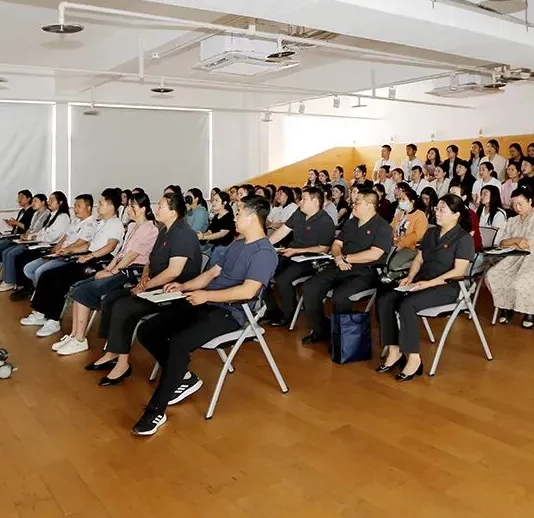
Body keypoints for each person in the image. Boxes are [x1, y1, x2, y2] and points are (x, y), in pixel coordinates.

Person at [132, 196, 278, 436]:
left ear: (253, 217)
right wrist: (184, 286)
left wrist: (207, 296)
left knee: (179, 343)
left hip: (232, 312)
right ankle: (183, 376)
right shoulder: (238, 244)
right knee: (148, 330)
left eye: (239, 213)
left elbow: (248, 291)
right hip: (206, 301)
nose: (235, 217)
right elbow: (211, 273)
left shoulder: (264, 252)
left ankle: (156, 410)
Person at [84, 192, 202, 384]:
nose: (156, 209)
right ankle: (112, 352)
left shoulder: (183, 233)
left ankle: (122, 365)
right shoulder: (164, 230)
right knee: (111, 299)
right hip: (154, 285)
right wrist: (145, 277)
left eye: (161, 206)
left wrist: (145, 285)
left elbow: (173, 272)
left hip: (174, 292)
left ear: (173, 212)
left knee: (124, 307)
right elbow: (150, 260)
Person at [376, 193, 474, 381]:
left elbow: (458, 271)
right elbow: (419, 259)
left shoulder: (463, 238)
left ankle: (414, 358)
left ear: (456, 215)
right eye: (437, 209)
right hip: (421, 281)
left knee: (407, 305)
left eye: (442, 210)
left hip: (446, 287)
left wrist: (428, 283)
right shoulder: (431, 233)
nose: (437, 213)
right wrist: (410, 277)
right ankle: (394, 350)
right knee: (385, 299)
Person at [54, 192, 160, 355]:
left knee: (84, 291)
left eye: (132, 206)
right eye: (128, 206)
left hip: (131, 272)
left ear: (143, 209)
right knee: (78, 287)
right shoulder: (132, 227)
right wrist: (107, 269)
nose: (128, 209)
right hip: (120, 268)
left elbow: (132, 256)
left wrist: (112, 272)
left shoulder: (150, 229)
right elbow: (121, 254)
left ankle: (80, 340)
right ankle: (74, 335)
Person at [20, 189, 125, 341]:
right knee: (48, 274)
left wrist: (90, 256)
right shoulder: (102, 223)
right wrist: (69, 250)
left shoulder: (116, 224)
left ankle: (53, 320)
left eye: (101, 204)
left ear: (111, 206)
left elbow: (110, 246)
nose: (98, 207)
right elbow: (88, 244)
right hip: (89, 256)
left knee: (60, 279)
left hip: (101, 261)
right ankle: (40, 313)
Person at [299, 188, 393, 344]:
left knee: (340, 296)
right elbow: (337, 243)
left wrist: (346, 258)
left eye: (357, 203)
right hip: (339, 265)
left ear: (370, 206)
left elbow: (374, 254)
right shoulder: (352, 222)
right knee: (310, 287)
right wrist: (338, 257)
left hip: (364, 271)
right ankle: (321, 329)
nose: (353, 205)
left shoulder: (383, 227)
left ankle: (343, 340)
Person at [262, 186, 337, 326]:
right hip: (291, 253)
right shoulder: (299, 213)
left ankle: (288, 316)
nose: (300, 202)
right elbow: (283, 230)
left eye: (304, 199)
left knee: (283, 279)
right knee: (262, 270)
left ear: (315, 202)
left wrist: (296, 251)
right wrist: (264, 244)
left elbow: (323, 248)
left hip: (310, 259)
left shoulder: (326, 221)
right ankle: (272, 310)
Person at [486, 187, 534, 329]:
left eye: (520, 204)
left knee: (521, 281)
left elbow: (531, 242)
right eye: (514, 204)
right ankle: (507, 306)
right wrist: (516, 240)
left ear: (530, 201)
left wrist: (515, 242)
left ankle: (530, 312)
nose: (517, 208)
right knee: (492, 275)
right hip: (515, 257)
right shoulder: (513, 220)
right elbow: (502, 242)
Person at [18, 194, 99, 295]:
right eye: (75, 206)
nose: (75, 209)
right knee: (28, 268)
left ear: (89, 208)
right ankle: (41, 291)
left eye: (79, 206)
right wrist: (55, 251)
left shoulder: (91, 223)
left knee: (40, 272)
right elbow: (65, 237)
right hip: (59, 252)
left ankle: (43, 296)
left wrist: (61, 251)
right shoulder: (76, 220)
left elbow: (80, 243)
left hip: (69, 256)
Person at [0, 191, 71, 292]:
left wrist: (34, 237)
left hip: (50, 246)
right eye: (49, 199)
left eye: (52, 200)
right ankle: (21, 284)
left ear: (60, 202)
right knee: (18, 255)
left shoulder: (62, 217)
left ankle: (24, 286)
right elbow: (43, 231)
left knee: (22, 257)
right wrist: (32, 236)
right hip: (40, 242)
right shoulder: (52, 215)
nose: (49, 202)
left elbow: (52, 237)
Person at [0, 193, 49, 284]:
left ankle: (7, 280)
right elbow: (30, 228)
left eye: (35, 201)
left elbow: (31, 228)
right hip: (22, 237)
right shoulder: (29, 212)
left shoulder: (41, 213)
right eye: (18, 197)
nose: (33, 203)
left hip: (31, 240)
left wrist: (18, 226)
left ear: (43, 202)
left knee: (5, 251)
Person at [391, 185, 428, 253]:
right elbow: (392, 227)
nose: (400, 202)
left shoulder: (420, 215)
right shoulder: (400, 214)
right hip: (395, 244)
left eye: (403, 199)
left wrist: (401, 244)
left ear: (412, 201)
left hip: (409, 247)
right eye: (400, 199)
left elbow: (417, 235)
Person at [198, 191, 236, 255]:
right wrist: (201, 235)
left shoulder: (229, 217)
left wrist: (204, 237)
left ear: (224, 203)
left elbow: (221, 234)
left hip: (223, 248)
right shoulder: (216, 216)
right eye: (213, 200)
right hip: (213, 246)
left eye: (216, 200)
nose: (213, 202)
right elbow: (210, 231)